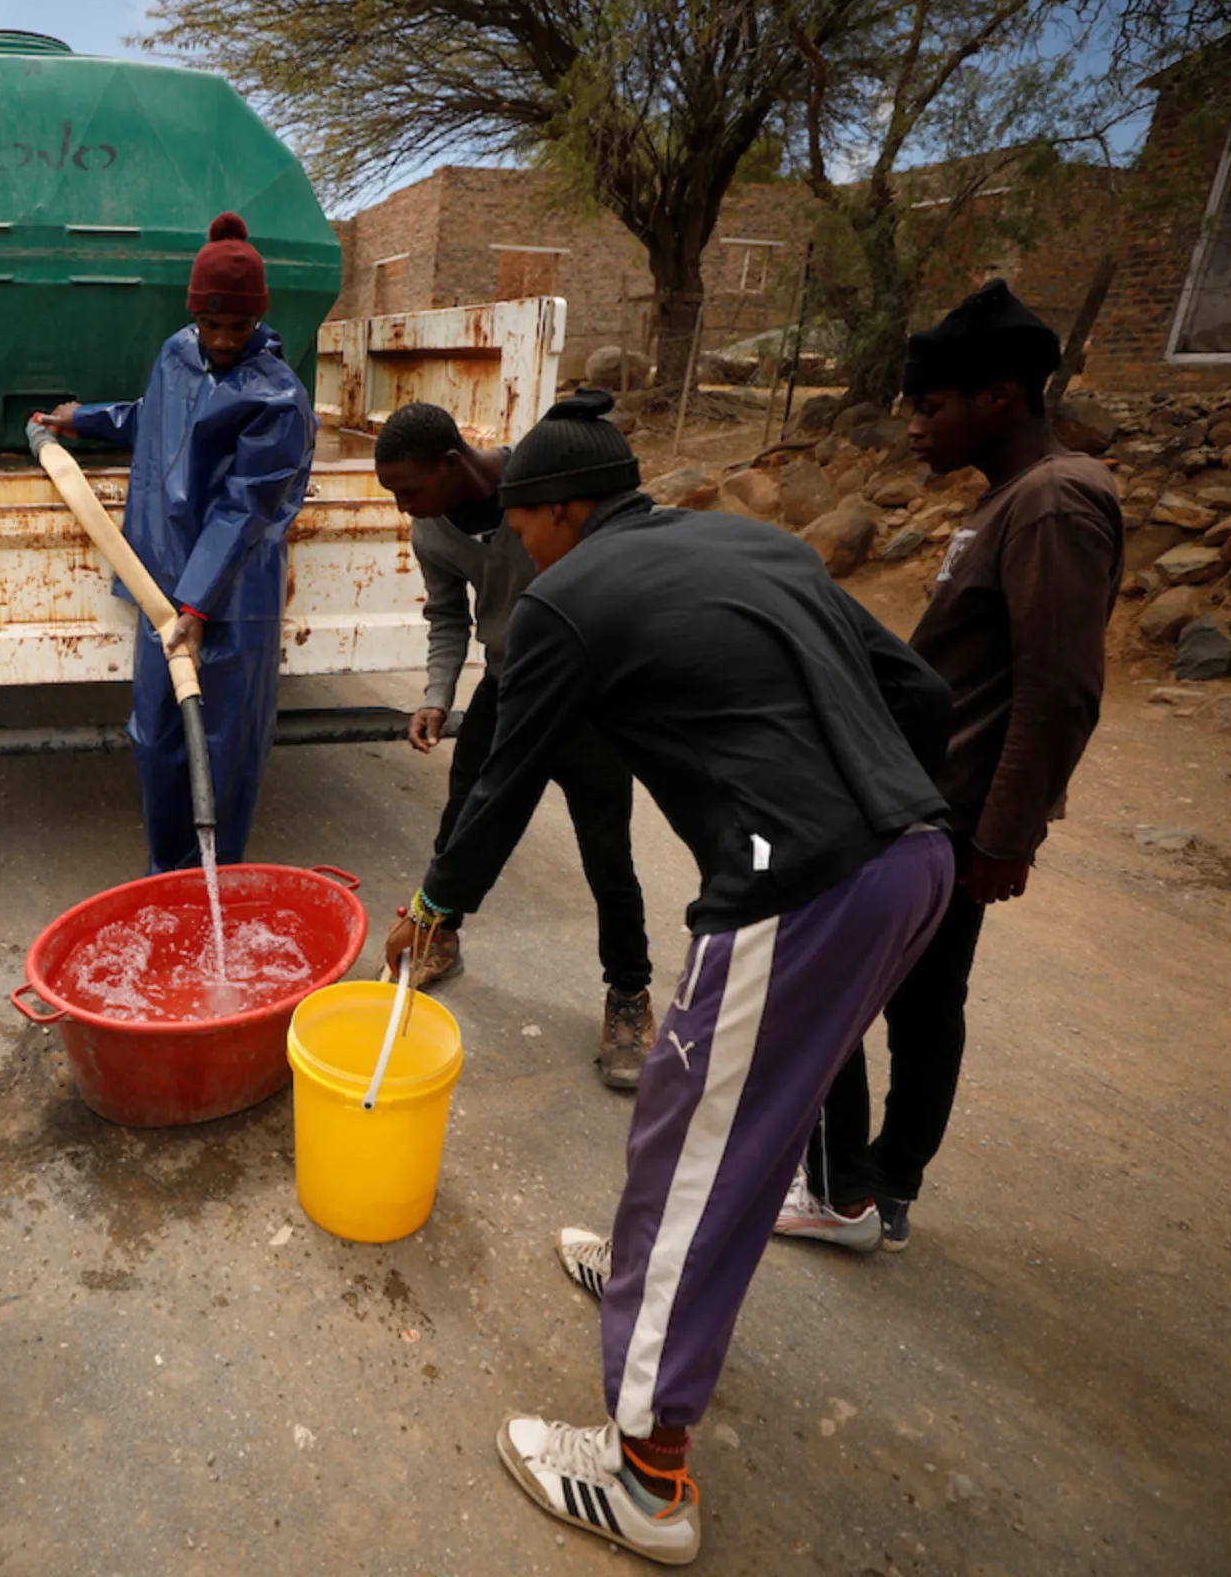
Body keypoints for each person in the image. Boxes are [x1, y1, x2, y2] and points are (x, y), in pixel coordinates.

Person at [380, 391, 955, 1566]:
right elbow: (923, 697)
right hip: (914, 861)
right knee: (708, 1127)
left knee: (698, 1144)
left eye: (530, 528)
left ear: (567, 510)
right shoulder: (743, 538)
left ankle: (645, 1478)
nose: (523, 550)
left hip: (799, 891)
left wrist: (436, 905)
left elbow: (501, 782)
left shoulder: (565, 598)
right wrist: (889, 824)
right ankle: (644, 1270)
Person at [778, 280, 1123, 1255]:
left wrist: (1003, 837)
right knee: (924, 1003)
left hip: (954, 819)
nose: (915, 428)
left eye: (930, 407)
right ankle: (879, 1188)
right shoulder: (1010, 500)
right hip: (927, 805)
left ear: (1000, 396)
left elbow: (1058, 688)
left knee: (867, 996)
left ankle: (858, 1187)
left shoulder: (1056, 503)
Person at [373, 401, 656, 1087]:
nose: (405, 509)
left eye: (411, 491)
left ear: (452, 463)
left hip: (587, 697)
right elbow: (447, 615)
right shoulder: (433, 534)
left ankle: (629, 994)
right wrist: (438, 697)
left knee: (606, 854)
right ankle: (440, 939)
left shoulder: (544, 490)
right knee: (462, 824)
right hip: (507, 685)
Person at [40, 211, 316, 873]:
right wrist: (84, 419)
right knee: (158, 738)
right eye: (211, 324)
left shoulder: (276, 398)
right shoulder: (177, 352)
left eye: (238, 326)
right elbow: (153, 418)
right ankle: (168, 877)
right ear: (194, 315)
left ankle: (214, 883)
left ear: (259, 319)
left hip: (227, 599)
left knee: (221, 749)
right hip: (157, 581)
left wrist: (195, 606)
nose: (223, 339)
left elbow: (245, 508)